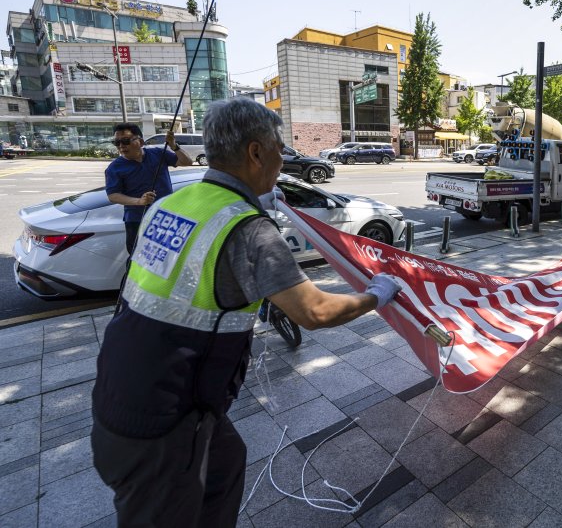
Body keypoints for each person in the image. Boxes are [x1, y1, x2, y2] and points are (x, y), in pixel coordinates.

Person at [91, 97, 401, 528]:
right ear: (256, 152)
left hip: (124, 386)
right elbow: (315, 311)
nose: (282, 158)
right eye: (279, 147)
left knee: (225, 461)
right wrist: (378, 294)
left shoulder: (168, 205)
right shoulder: (246, 227)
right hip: (162, 424)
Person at [105, 122, 194, 254]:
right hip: (136, 220)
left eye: (125, 141)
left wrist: (174, 146)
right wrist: (139, 201)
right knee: (138, 257)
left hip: (166, 217)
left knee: (168, 256)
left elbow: (187, 162)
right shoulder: (114, 168)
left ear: (140, 142)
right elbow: (113, 195)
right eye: (117, 142)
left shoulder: (158, 153)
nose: (121, 146)